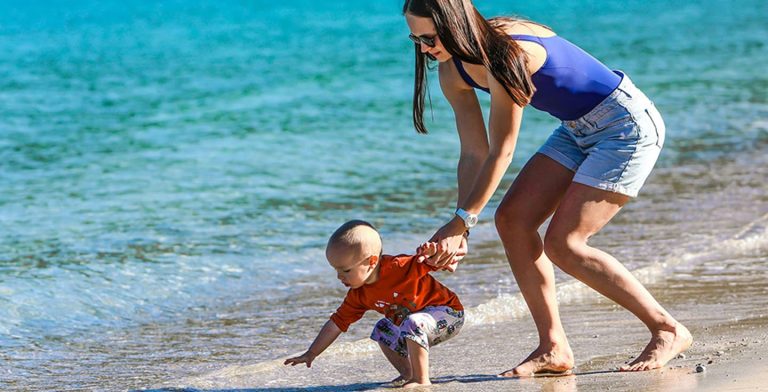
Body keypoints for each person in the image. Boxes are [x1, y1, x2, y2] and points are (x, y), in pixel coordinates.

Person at [402, 0, 692, 376]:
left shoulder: (507, 55)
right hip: (575, 128)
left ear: (455, 24)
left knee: (565, 244)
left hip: (625, 126)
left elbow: (503, 151)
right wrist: (461, 227)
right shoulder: (451, 70)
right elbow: (474, 153)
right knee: (512, 220)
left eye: (429, 37)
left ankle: (667, 329)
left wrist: (462, 222)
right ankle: (554, 347)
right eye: (415, 39)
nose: (424, 49)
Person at [284, 220, 466, 389]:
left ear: (371, 262)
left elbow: (433, 263)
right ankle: (407, 373)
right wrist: (311, 353)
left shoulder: (399, 267)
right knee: (382, 329)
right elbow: (336, 324)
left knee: (413, 322)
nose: (339, 276)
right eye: (336, 270)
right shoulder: (358, 294)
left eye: (346, 270)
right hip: (416, 324)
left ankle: (421, 379)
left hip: (448, 314)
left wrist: (431, 253)